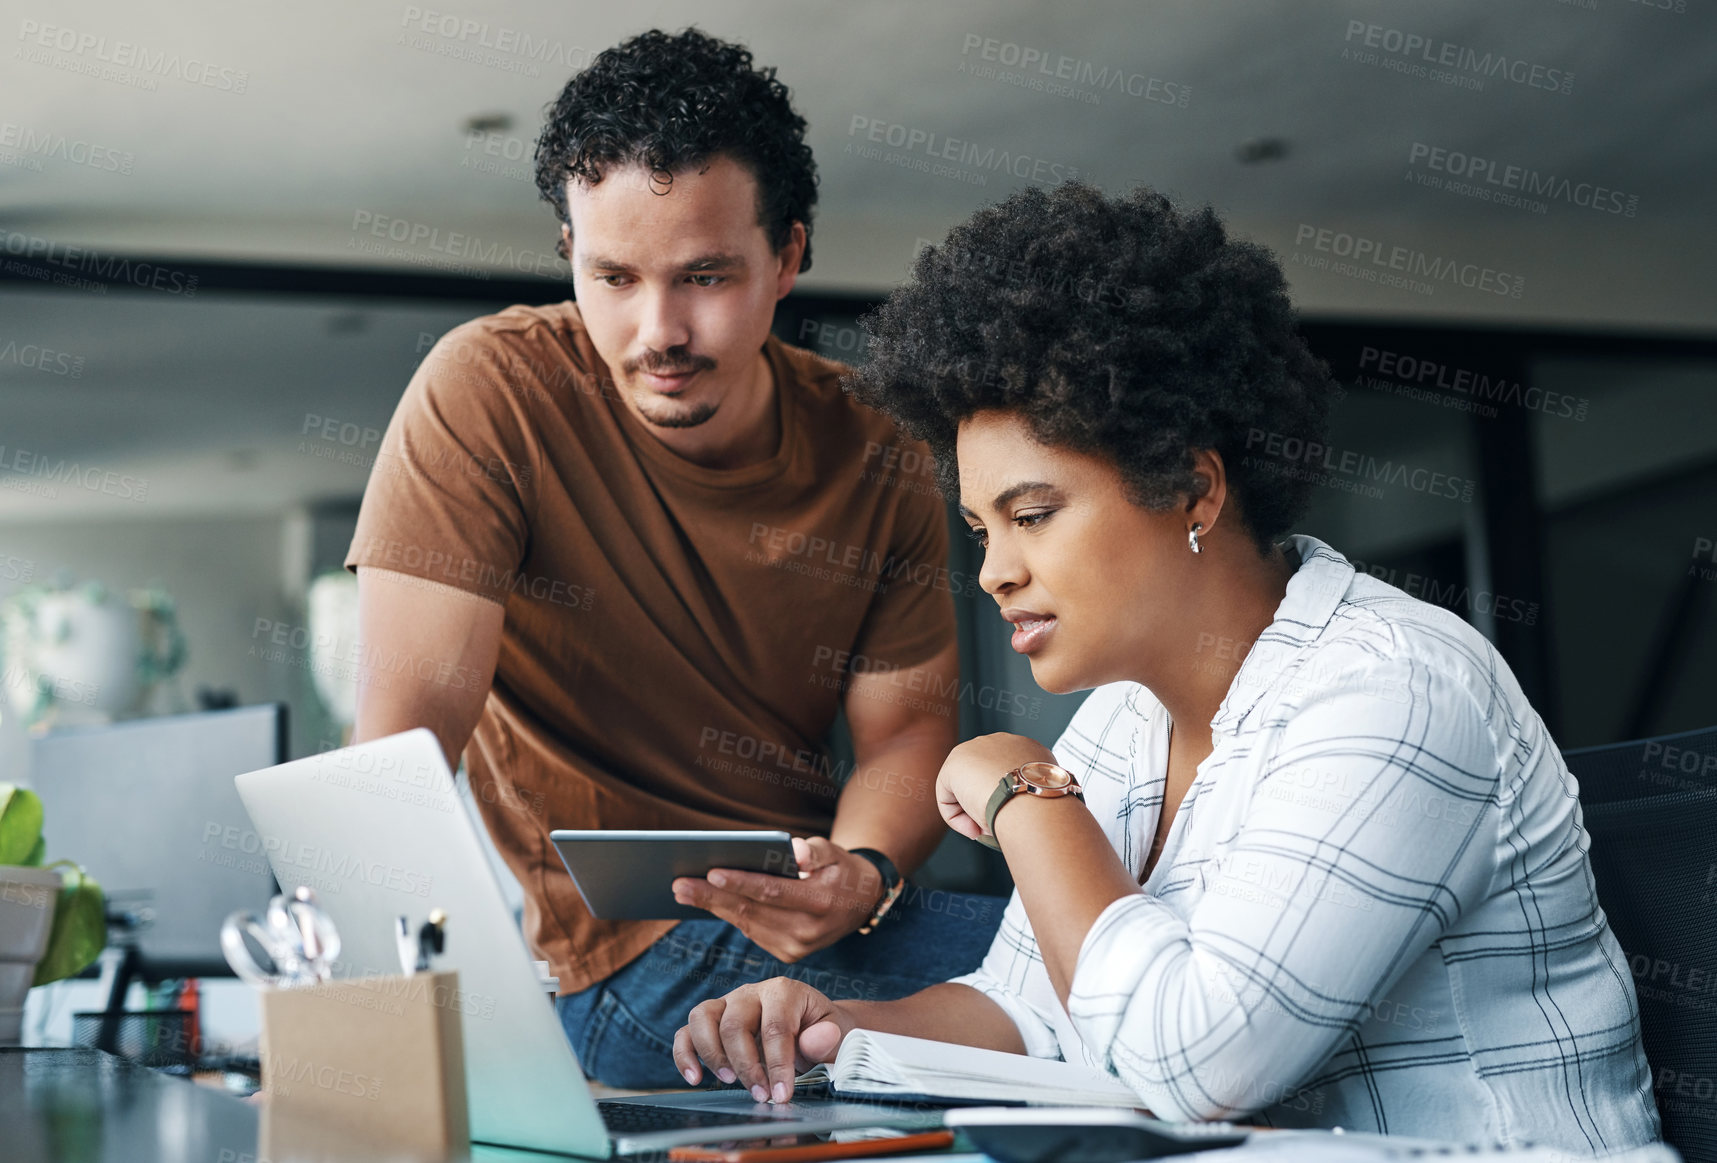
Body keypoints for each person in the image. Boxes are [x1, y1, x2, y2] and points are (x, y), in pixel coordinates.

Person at [671, 181, 1663, 1152]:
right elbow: (1035, 1012)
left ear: (1191, 486)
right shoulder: (1127, 719)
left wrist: (1023, 785)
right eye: (980, 528)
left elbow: (1197, 1065)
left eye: (1032, 514)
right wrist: (830, 1026)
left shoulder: (1392, 688)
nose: (995, 571)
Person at [344, 28, 1003, 1087]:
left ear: (787, 255)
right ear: (568, 252)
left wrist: (864, 868)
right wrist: (374, 1056)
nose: (658, 329)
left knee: (1096, 959)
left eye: (705, 276)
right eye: (612, 275)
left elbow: (911, 729)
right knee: (1093, 987)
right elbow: (400, 750)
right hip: (621, 960)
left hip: (804, 914)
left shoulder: (874, 445)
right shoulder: (491, 392)